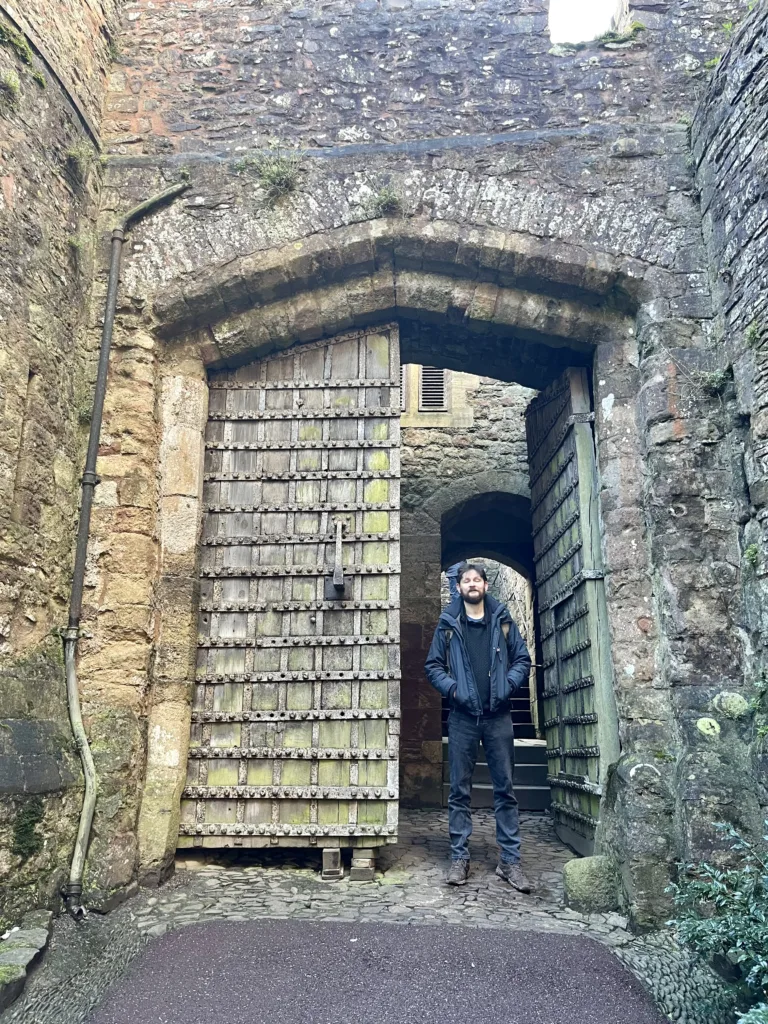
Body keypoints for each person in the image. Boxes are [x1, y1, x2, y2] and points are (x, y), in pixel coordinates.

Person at [425, 562, 533, 891]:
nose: (472, 584)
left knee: (506, 791)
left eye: (477, 580)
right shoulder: (448, 624)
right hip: (462, 718)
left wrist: (506, 687)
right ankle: (459, 858)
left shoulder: (502, 620)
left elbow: (522, 660)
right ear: (458, 588)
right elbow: (433, 666)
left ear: (485, 586)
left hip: (498, 717)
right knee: (459, 791)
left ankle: (510, 863)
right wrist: (454, 690)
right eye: (466, 580)